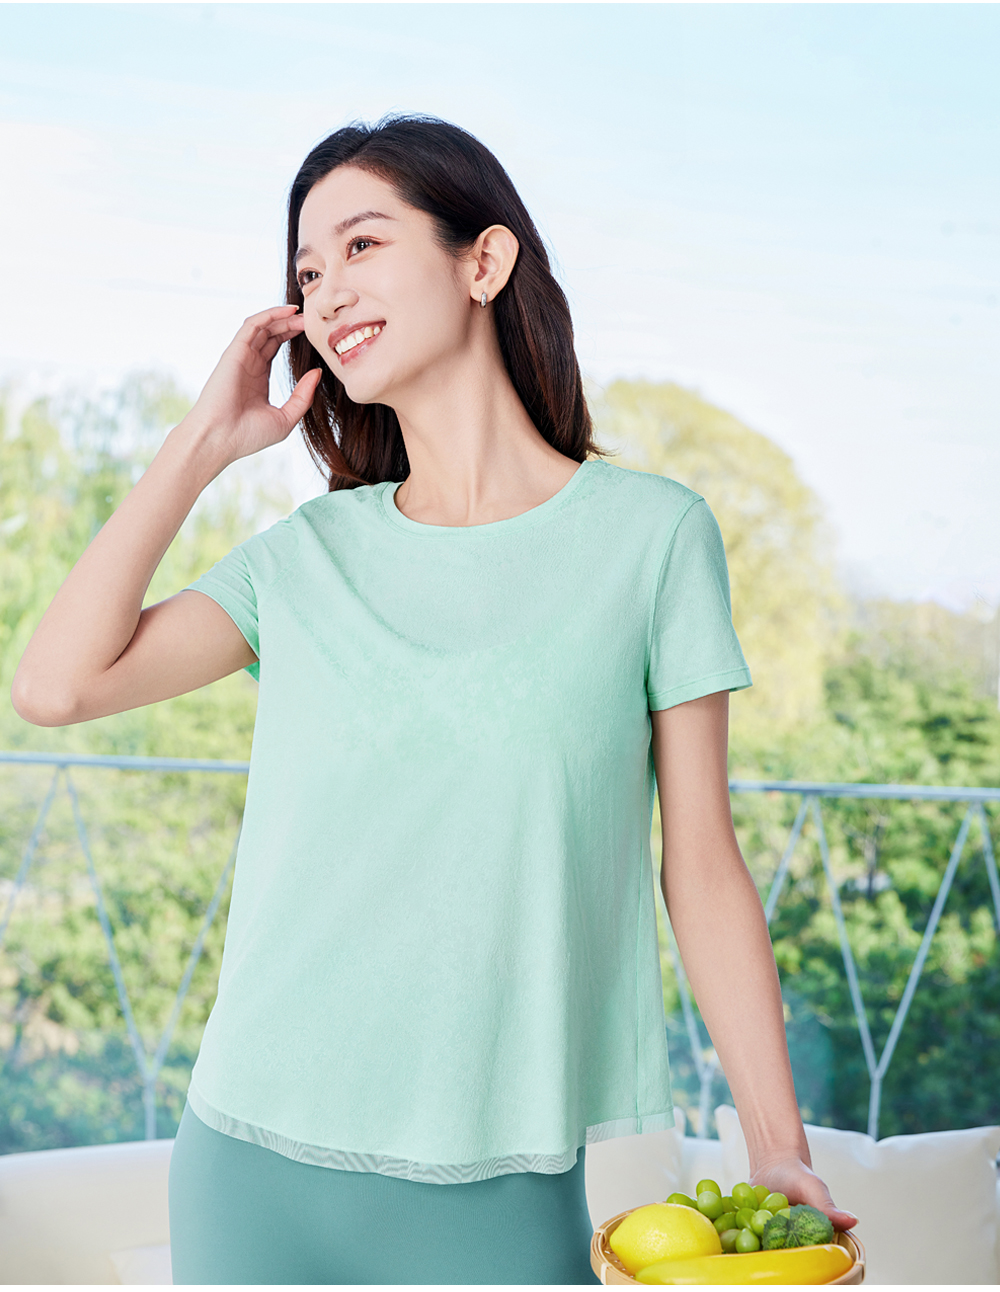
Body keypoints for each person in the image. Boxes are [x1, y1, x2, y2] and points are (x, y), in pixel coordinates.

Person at [11, 113, 857, 1285]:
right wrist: (206, 441)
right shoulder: (307, 557)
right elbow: (55, 685)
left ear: (483, 261)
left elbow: (701, 860)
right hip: (249, 1163)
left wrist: (776, 1144)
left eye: (361, 245)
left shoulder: (650, 537)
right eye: (307, 272)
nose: (326, 291)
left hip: (499, 1180)